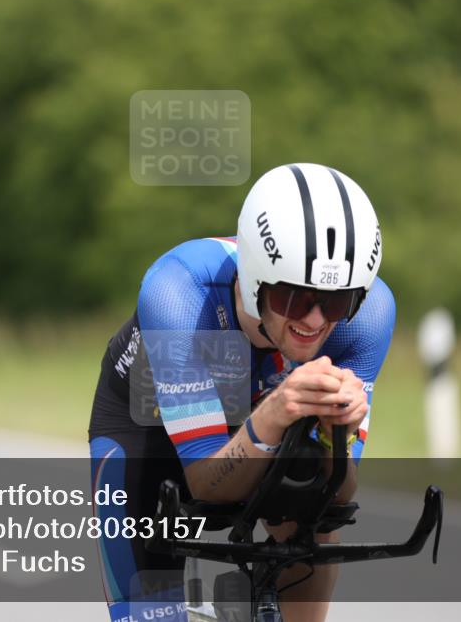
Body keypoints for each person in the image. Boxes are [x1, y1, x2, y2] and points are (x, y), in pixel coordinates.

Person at [88, 163, 395, 622]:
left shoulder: (367, 316)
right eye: (291, 297)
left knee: (313, 512)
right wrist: (273, 411)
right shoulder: (179, 293)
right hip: (147, 423)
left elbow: (338, 493)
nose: (314, 321)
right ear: (254, 281)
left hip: (261, 418)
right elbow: (204, 483)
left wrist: (338, 433)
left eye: (334, 301)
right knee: (149, 613)